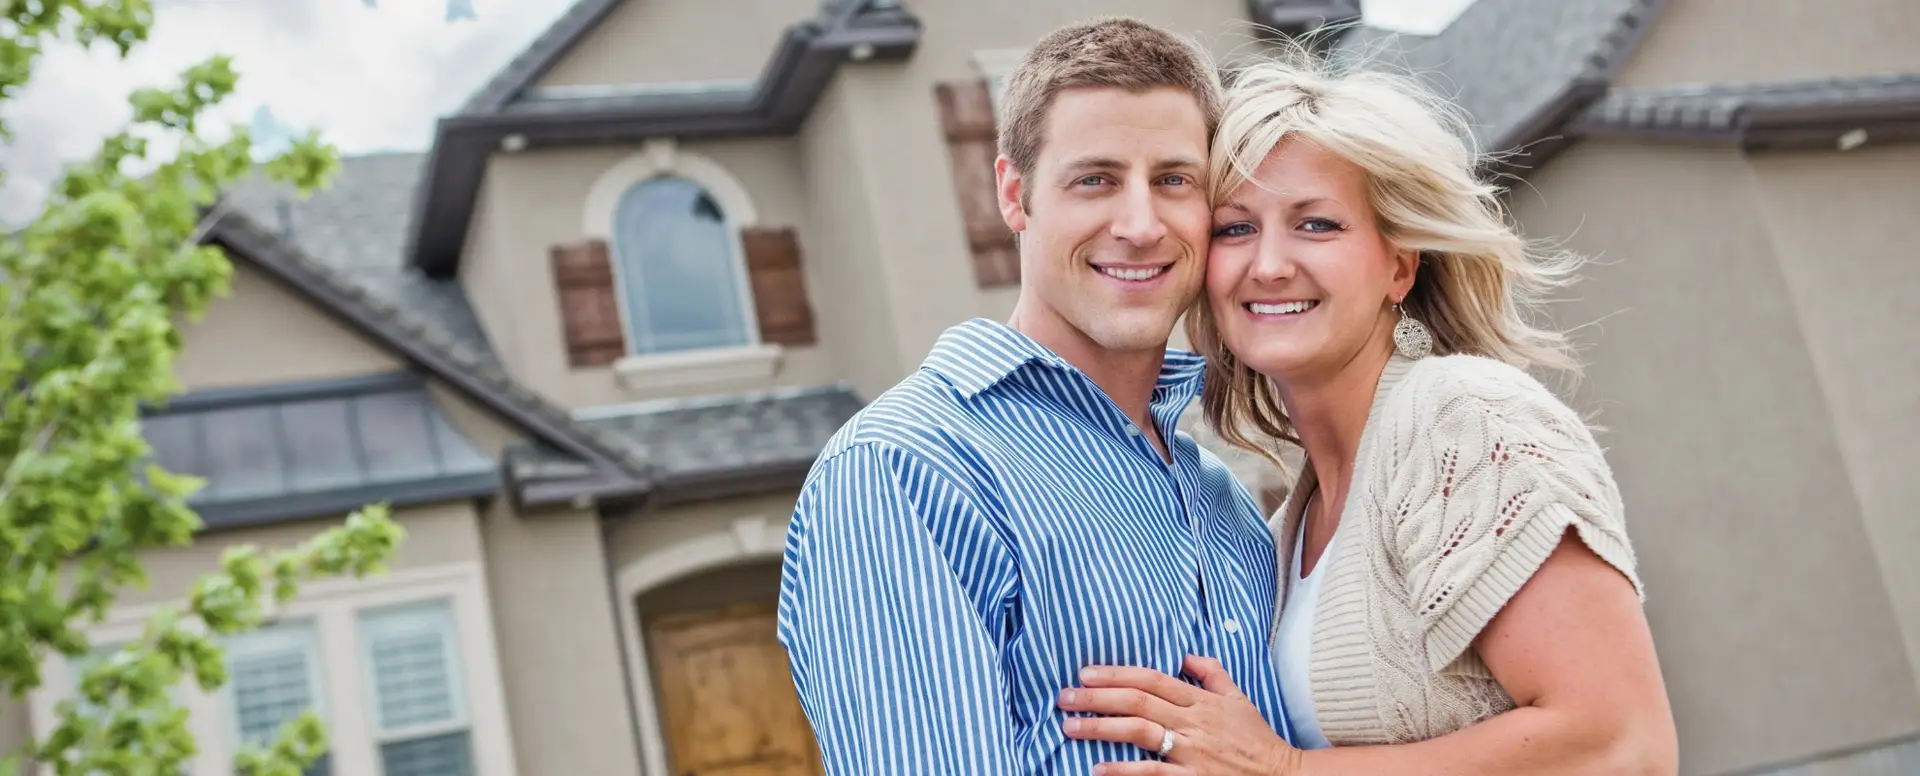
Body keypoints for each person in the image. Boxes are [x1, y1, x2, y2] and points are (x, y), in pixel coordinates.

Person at [1055, 51, 1680, 775]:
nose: (1269, 264)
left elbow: (1621, 744)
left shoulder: (1465, 420)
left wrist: (1284, 770)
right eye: (1235, 229)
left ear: (1399, 266)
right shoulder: (1289, 524)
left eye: (1315, 225)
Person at [775, 17, 1295, 774]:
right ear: (1014, 195)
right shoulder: (903, 469)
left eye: (1174, 181)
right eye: (1096, 180)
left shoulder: (1222, 497)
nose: (1141, 224)